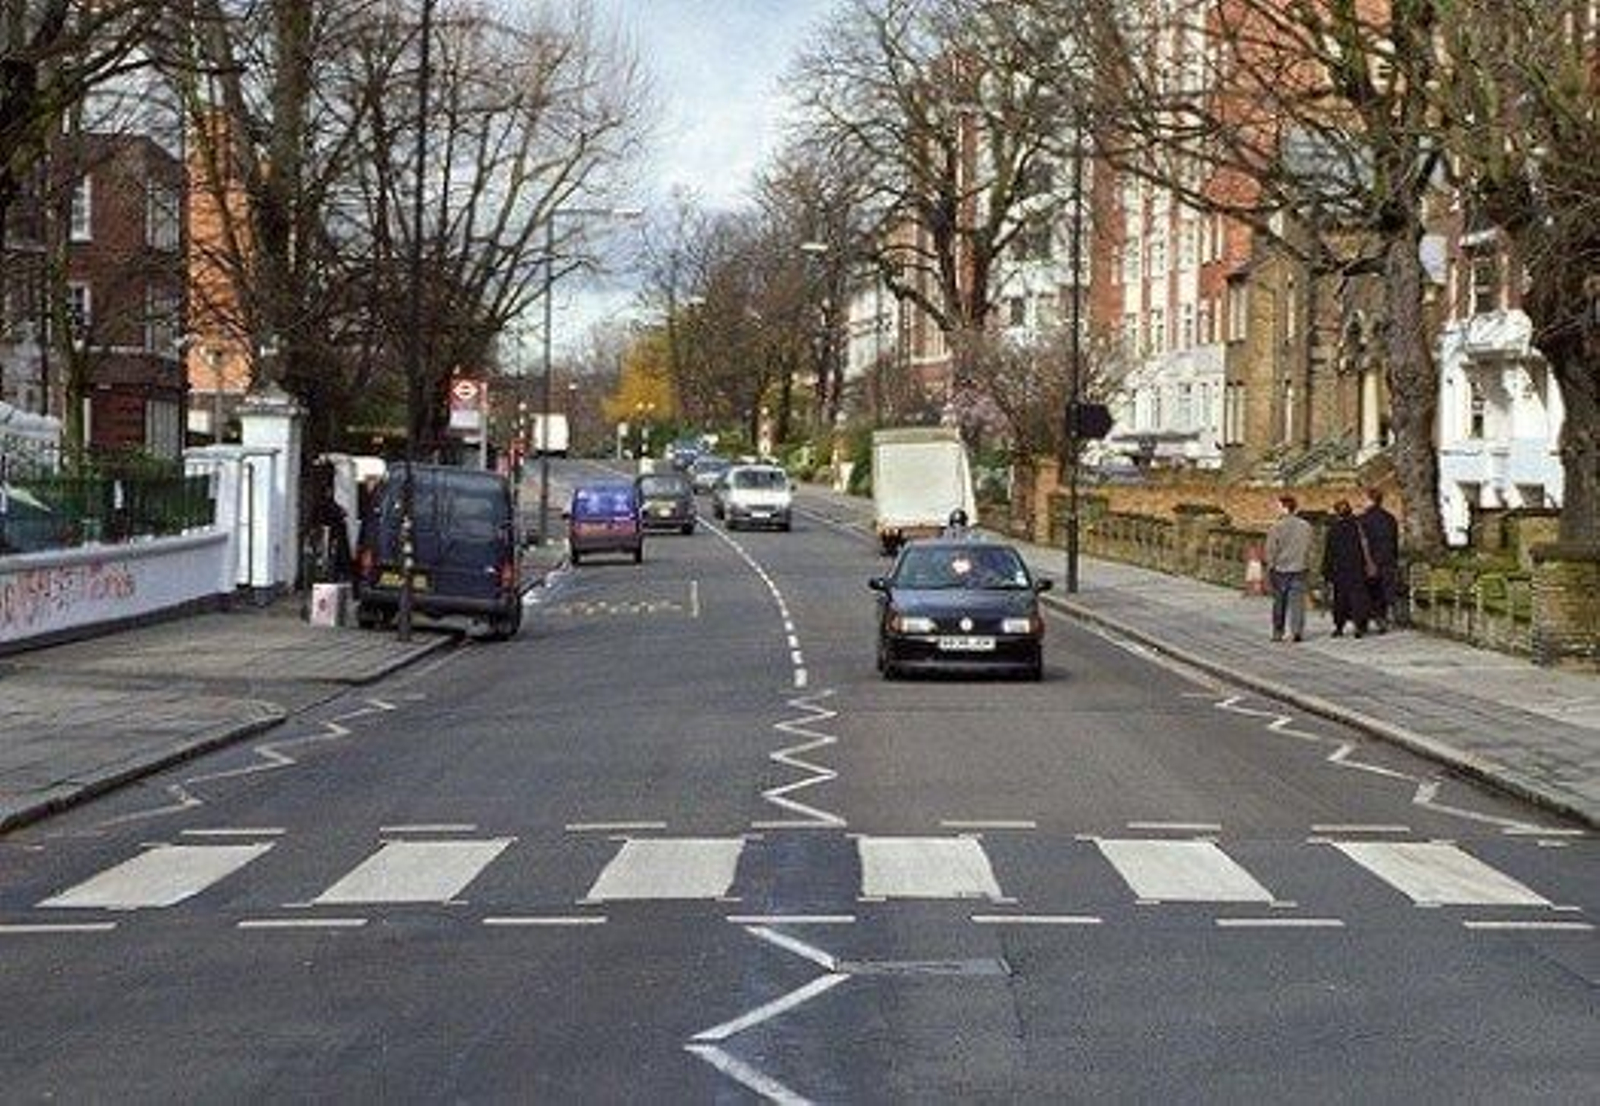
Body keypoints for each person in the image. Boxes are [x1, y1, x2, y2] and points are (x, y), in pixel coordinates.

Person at [1264, 494, 1313, 642]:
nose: (1276, 509)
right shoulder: (1306, 526)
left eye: (1278, 506)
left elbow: (1271, 550)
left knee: (1280, 601)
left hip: (1281, 569)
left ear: (1284, 508)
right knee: (1297, 603)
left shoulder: (1276, 527)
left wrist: (1270, 566)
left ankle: (1278, 631)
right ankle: (1296, 631)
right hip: (1300, 567)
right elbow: (1309, 547)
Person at [1322, 499, 1372, 637]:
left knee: (1340, 599)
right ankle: (1359, 625)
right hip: (1357, 568)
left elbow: (1329, 552)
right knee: (1358, 598)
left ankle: (1339, 626)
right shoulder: (1359, 526)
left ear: (1337, 513)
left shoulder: (1333, 530)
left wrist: (1326, 571)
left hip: (1340, 570)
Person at [1359, 487, 1400, 632]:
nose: (1362, 502)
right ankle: (1382, 619)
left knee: (1368, 591)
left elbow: (1361, 542)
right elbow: (1395, 541)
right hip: (1388, 559)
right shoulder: (1390, 518)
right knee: (1383, 591)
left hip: (1369, 561)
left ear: (1370, 500)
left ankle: (1365, 621)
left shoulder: (1362, 519)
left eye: (1364, 499)